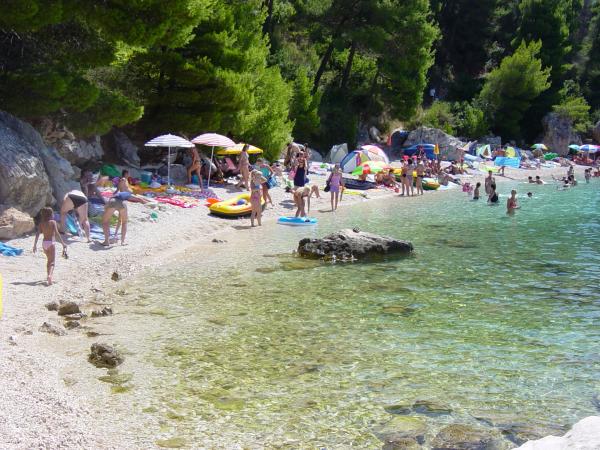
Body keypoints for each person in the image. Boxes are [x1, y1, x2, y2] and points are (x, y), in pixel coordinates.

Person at [33, 207, 67, 285]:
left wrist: (35, 245)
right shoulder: (53, 222)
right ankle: (50, 276)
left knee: (48, 260)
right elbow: (57, 233)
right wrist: (63, 243)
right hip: (51, 243)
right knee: (52, 262)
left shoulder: (41, 223)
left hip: (44, 243)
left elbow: (37, 234)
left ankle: (48, 277)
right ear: (51, 214)